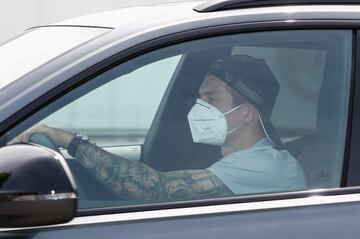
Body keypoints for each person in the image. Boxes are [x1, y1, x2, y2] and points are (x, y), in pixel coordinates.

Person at [17, 54, 307, 200]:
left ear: (245, 113)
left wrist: (70, 141)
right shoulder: (239, 161)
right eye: (199, 97)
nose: (199, 107)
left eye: (211, 98)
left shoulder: (267, 166)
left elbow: (159, 189)